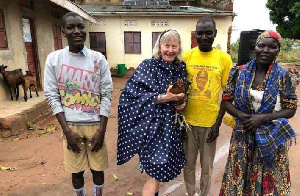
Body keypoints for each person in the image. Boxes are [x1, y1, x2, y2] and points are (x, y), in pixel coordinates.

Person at [219, 30, 298, 196]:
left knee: (269, 185)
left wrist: (263, 118)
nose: (266, 50)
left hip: (270, 139)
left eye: (272, 47)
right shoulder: (239, 72)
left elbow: (290, 108)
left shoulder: (284, 76)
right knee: (239, 182)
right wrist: (242, 116)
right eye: (261, 45)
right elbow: (226, 100)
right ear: (255, 47)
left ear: (278, 50)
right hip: (243, 137)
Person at [44, 12, 112, 196]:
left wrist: (102, 130)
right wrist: (67, 132)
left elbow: (106, 94)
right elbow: (51, 95)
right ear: (63, 31)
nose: (77, 31)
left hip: (96, 126)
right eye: (71, 27)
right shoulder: (54, 59)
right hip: (71, 127)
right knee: (77, 172)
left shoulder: (98, 59)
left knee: (98, 170)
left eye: (81, 26)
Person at [117, 29, 187, 196]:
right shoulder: (148, 66)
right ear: (159, 47)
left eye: (174, 46)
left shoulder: (180, 68)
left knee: (159, 171)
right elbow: (130, 97)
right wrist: (165, 98)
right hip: (151, 127)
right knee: (154, 174)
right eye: (166, 46)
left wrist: (181, 103)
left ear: (179, 48)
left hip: (171, 128)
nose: (170, 50)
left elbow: (184, 93)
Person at [182, 16, 233, 196]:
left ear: (215, 34)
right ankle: (190, 193)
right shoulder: (187, 56)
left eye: (208, 33)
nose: (204, 37)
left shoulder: (224, 59)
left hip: (210, 124)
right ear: (196, 34)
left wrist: (217, 124)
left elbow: (228, 96)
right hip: (187, 123)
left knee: (206, 167)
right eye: (200, 33)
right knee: (188, 164)